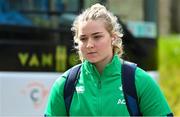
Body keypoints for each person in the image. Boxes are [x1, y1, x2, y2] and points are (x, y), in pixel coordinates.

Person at [44, 3, 173, 116]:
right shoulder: (65, 85)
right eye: (83, 39)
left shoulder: (139, 81)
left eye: (97, 37)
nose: (89, 44)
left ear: (113, 37)